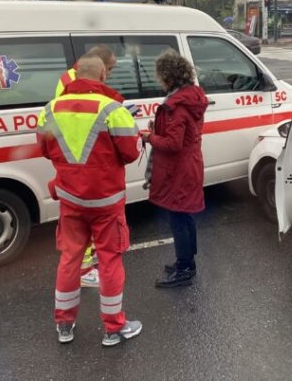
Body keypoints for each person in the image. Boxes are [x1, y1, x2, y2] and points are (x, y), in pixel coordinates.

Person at [38, 54, 143, 346]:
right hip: (106, 202)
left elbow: (45, 150)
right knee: (109, 261)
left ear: (75, 74)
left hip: (71, 200)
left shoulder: (49, 110)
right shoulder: (113, 109)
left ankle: (64, 326)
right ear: (103, 76)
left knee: (70, 259)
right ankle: (113, 328)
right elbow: (132, 152)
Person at [55, 44, 129, 289]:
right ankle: (85, 268)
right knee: (92, 228)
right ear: (100, 68)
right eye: (110, 69)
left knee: (76, 227)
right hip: (87, 162)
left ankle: (65, 319)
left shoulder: (67, 78)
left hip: (70, 164)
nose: (110, 74)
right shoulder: (77, 82)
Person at [140, 50, 208, 288]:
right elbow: (181, 135)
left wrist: (150, 137)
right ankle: (188, 263)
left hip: (178, 169)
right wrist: (158, 129)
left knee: (178, 217)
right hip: (190, 165)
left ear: (167, 76)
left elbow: (172, 144)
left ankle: (183, 269)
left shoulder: (175, 105)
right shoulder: (192, 97)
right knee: (185, 215)